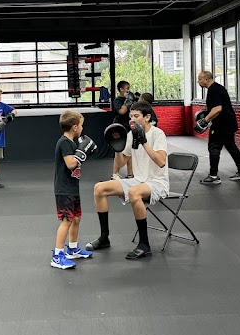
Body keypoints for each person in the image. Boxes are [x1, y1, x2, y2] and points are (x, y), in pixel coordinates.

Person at [86, 101, 169, 261]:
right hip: (138, 180)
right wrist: (117, 147)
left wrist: (144, 141)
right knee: (99, 188)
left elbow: (161, 162)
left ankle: (144, 244)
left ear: (147, 117)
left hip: (157, 182)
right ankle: (104, 238)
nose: (132, 120)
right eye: (131, 116)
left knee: (134, 192)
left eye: (136, 116)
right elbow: (121, 163)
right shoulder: (131, 135)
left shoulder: (158, 134)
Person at [51, 110, 95, 270]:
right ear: (75, 127)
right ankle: (57, 256)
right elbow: (70, 164)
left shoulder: (71, 142)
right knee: (67, 221)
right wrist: (82, 153)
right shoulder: (64, 143)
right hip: (64, 189)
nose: (82, 128)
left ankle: (73, 248)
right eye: (81, 125)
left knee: (76, 218)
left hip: (72, 187)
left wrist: (82, 152)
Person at [196, 70, 240, 185]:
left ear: (206, 79)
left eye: (200, 79)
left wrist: (205, 121)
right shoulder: (218, 88)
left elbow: (217, 109)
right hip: (228, 123)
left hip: (221, 125)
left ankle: (213, 176)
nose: (198, 81)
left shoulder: (214, 90)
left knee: (214, 147)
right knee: (231, 146)